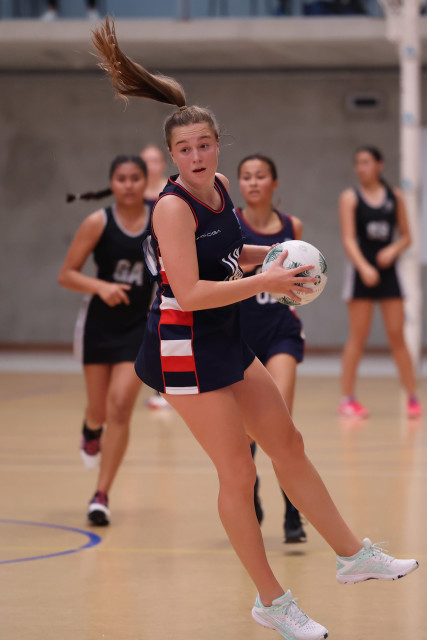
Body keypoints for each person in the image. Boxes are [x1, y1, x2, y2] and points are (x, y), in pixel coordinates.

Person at [92, 19, 419, 639]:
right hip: (182, 346)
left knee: (287, 443)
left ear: (219, 145)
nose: (196, 156)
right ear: (173, 154)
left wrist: (282, 262)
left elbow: (230, 254)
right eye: (184, 149)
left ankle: (354, 555)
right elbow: (190, 291)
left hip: (224, 333)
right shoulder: (170, 208)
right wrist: (266, 280)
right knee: (239, 474)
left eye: (204, 144)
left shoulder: (220, 187)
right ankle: (273, 602)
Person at [58, 155, 153, 526]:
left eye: (135, 178)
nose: (128, 185)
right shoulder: (98, 222)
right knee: (99, 411)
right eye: (121, 178)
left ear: (145, 182)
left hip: (139, 326)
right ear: (112, 183)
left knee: (121, 406)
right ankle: (91, 427)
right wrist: (101, 287)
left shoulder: (160, 219)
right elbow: (67, 274)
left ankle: (101, 495)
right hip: (100, 325)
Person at [235, 153, 306, 544]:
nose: (253, 182)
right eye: (246, 176)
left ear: (274, 182)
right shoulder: (231, 227)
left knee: (281, 423)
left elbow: (303, 283)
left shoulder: (293, 227)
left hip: (280, 333)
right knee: (247, 430)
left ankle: (293, 510)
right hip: (240, 335)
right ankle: (252, 489)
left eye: (260, 175)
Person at [339, 146, 422, 420]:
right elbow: (349, 238)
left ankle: (412, 397)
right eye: (357, 163)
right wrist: (364, 267)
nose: (360, 168)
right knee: (358, 337)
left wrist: (393, 250)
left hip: (388, 275)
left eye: (365, 162)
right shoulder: (350, 197)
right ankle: (347, 399)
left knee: (397, 335)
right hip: (361, 273)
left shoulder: (395, 197)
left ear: (379, 165)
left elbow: (407, 236)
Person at [140, 144, 172, 410]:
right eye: (145, 161)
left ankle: (161, 389)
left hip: (163, 264)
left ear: (162, 163)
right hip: (137, 267)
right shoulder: (133, 195)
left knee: (160, 320)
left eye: (154, 160)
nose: (150, 165)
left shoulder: (168, 194)